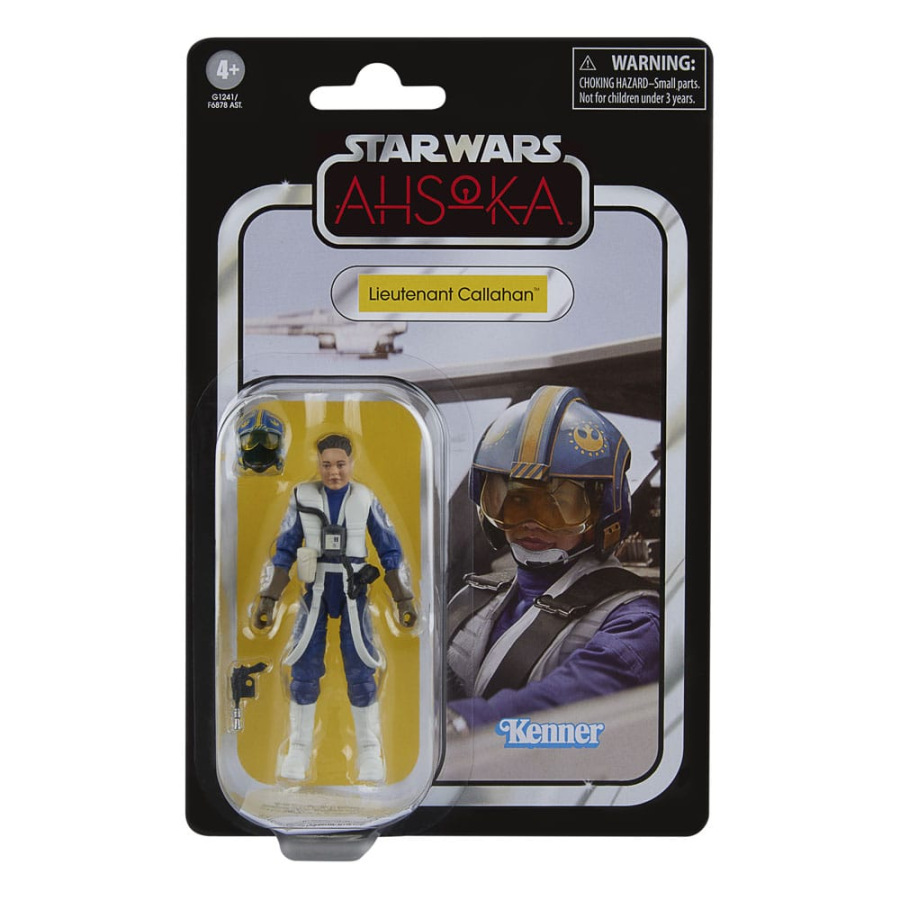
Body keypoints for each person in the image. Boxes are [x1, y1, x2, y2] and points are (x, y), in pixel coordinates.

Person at [446, 385, 660, 731]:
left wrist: (454, 727)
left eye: (558, 505)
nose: (532, 524)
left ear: (605, 512)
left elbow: (562, 703)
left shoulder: (636, 623)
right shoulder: (473, 596)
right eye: (514, 501)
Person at [252, 433, 416, 782]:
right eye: (326, 465)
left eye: (340, 464)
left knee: (361, 666)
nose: (334, 472)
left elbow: (389, 548)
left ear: (351, 463)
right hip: (314, 589)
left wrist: (403, 597)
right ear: (319, 464)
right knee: (304, 664)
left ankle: (369, 751)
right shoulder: (302, 497)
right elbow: (285, 548)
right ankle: (298, 749)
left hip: (353, 589)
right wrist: (269, 597)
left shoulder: (365, 498)